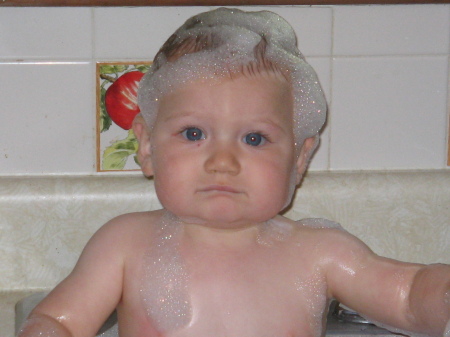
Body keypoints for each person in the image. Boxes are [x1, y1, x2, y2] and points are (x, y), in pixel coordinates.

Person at [18, 8, 449, 337]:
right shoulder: (125, 244)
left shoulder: (319, 253)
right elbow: (59, 320)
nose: (222, 161)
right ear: (147, 146)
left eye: (254, 139)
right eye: (193, 133)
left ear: (298, 161)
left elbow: (408, 296)